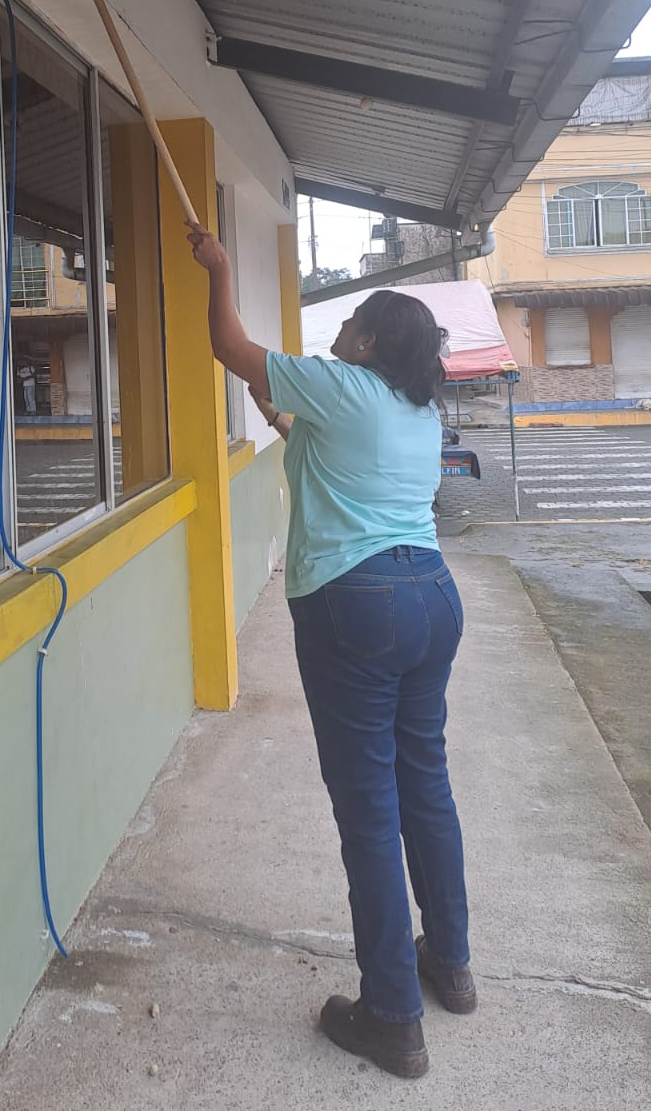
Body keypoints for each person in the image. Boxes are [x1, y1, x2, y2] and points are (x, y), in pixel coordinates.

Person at [188, 223, 472, 1081]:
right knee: (425, 786)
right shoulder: (417, 411)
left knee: (369, 812)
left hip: (358, 607)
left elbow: (227, 345)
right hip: (432, 599)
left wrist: (221, 267)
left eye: (350, 323)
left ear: (370, 342)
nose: (338, 332)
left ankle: (393, 1017)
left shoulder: (344, 383)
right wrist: (279, 410)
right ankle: (449, 963)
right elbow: (313, 439)